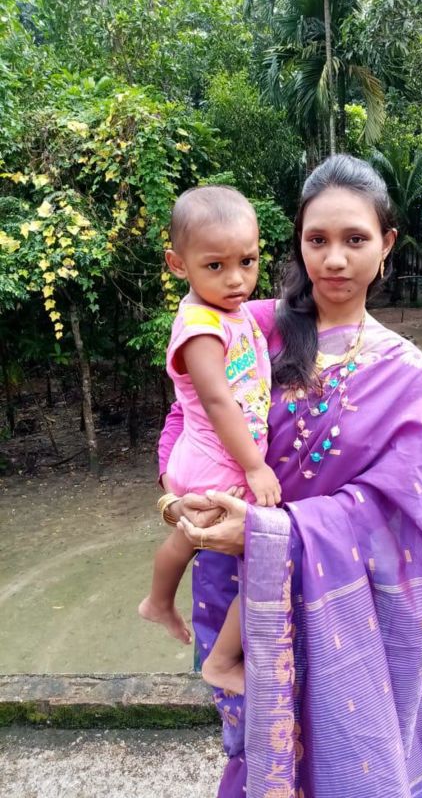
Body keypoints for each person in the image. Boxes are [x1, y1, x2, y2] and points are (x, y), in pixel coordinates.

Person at [158, 155, 422, 797]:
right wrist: (181, 497)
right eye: (317, 240)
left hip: (339, 602)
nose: (334, 259)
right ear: (299, 243)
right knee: (257, 750)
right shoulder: (249, 326)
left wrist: (274, 533)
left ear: (387, 245)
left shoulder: (402, 372)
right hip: (236, 584)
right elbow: (188, 412)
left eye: (355, 240)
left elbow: (399, 511)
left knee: (339, 759)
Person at [139, 185, 281, 695]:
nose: (236, 278)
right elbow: (217, 402)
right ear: (178, 265)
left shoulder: (231, 310)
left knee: (188, 540)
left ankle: (158, 601)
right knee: (265, 560)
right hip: (217, 460)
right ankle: (219, 661)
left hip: (212, 456)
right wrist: (255, 466)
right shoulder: (199, 328)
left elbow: (283, 306)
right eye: (215, 266)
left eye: (248, 261)